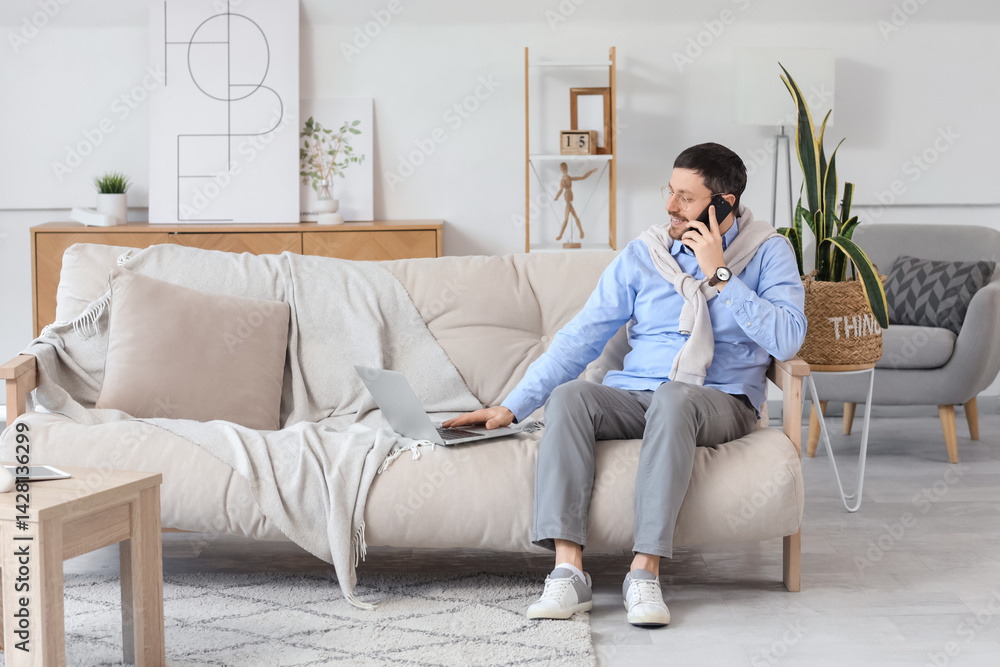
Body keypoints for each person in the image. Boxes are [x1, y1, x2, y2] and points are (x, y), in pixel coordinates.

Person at [442, 142, 806, 627]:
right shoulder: (645, 255)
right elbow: (580, 337)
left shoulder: (767, 252)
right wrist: (511, 407)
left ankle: (644, 574)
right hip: (637, 394)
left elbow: (786, 339)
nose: (671, 206)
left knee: (676, 397)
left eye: (686, 197)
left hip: (721, 400)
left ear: (725, 203)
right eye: (670, 192)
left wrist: (720, 273)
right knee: (570, 396)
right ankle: (568, 571)